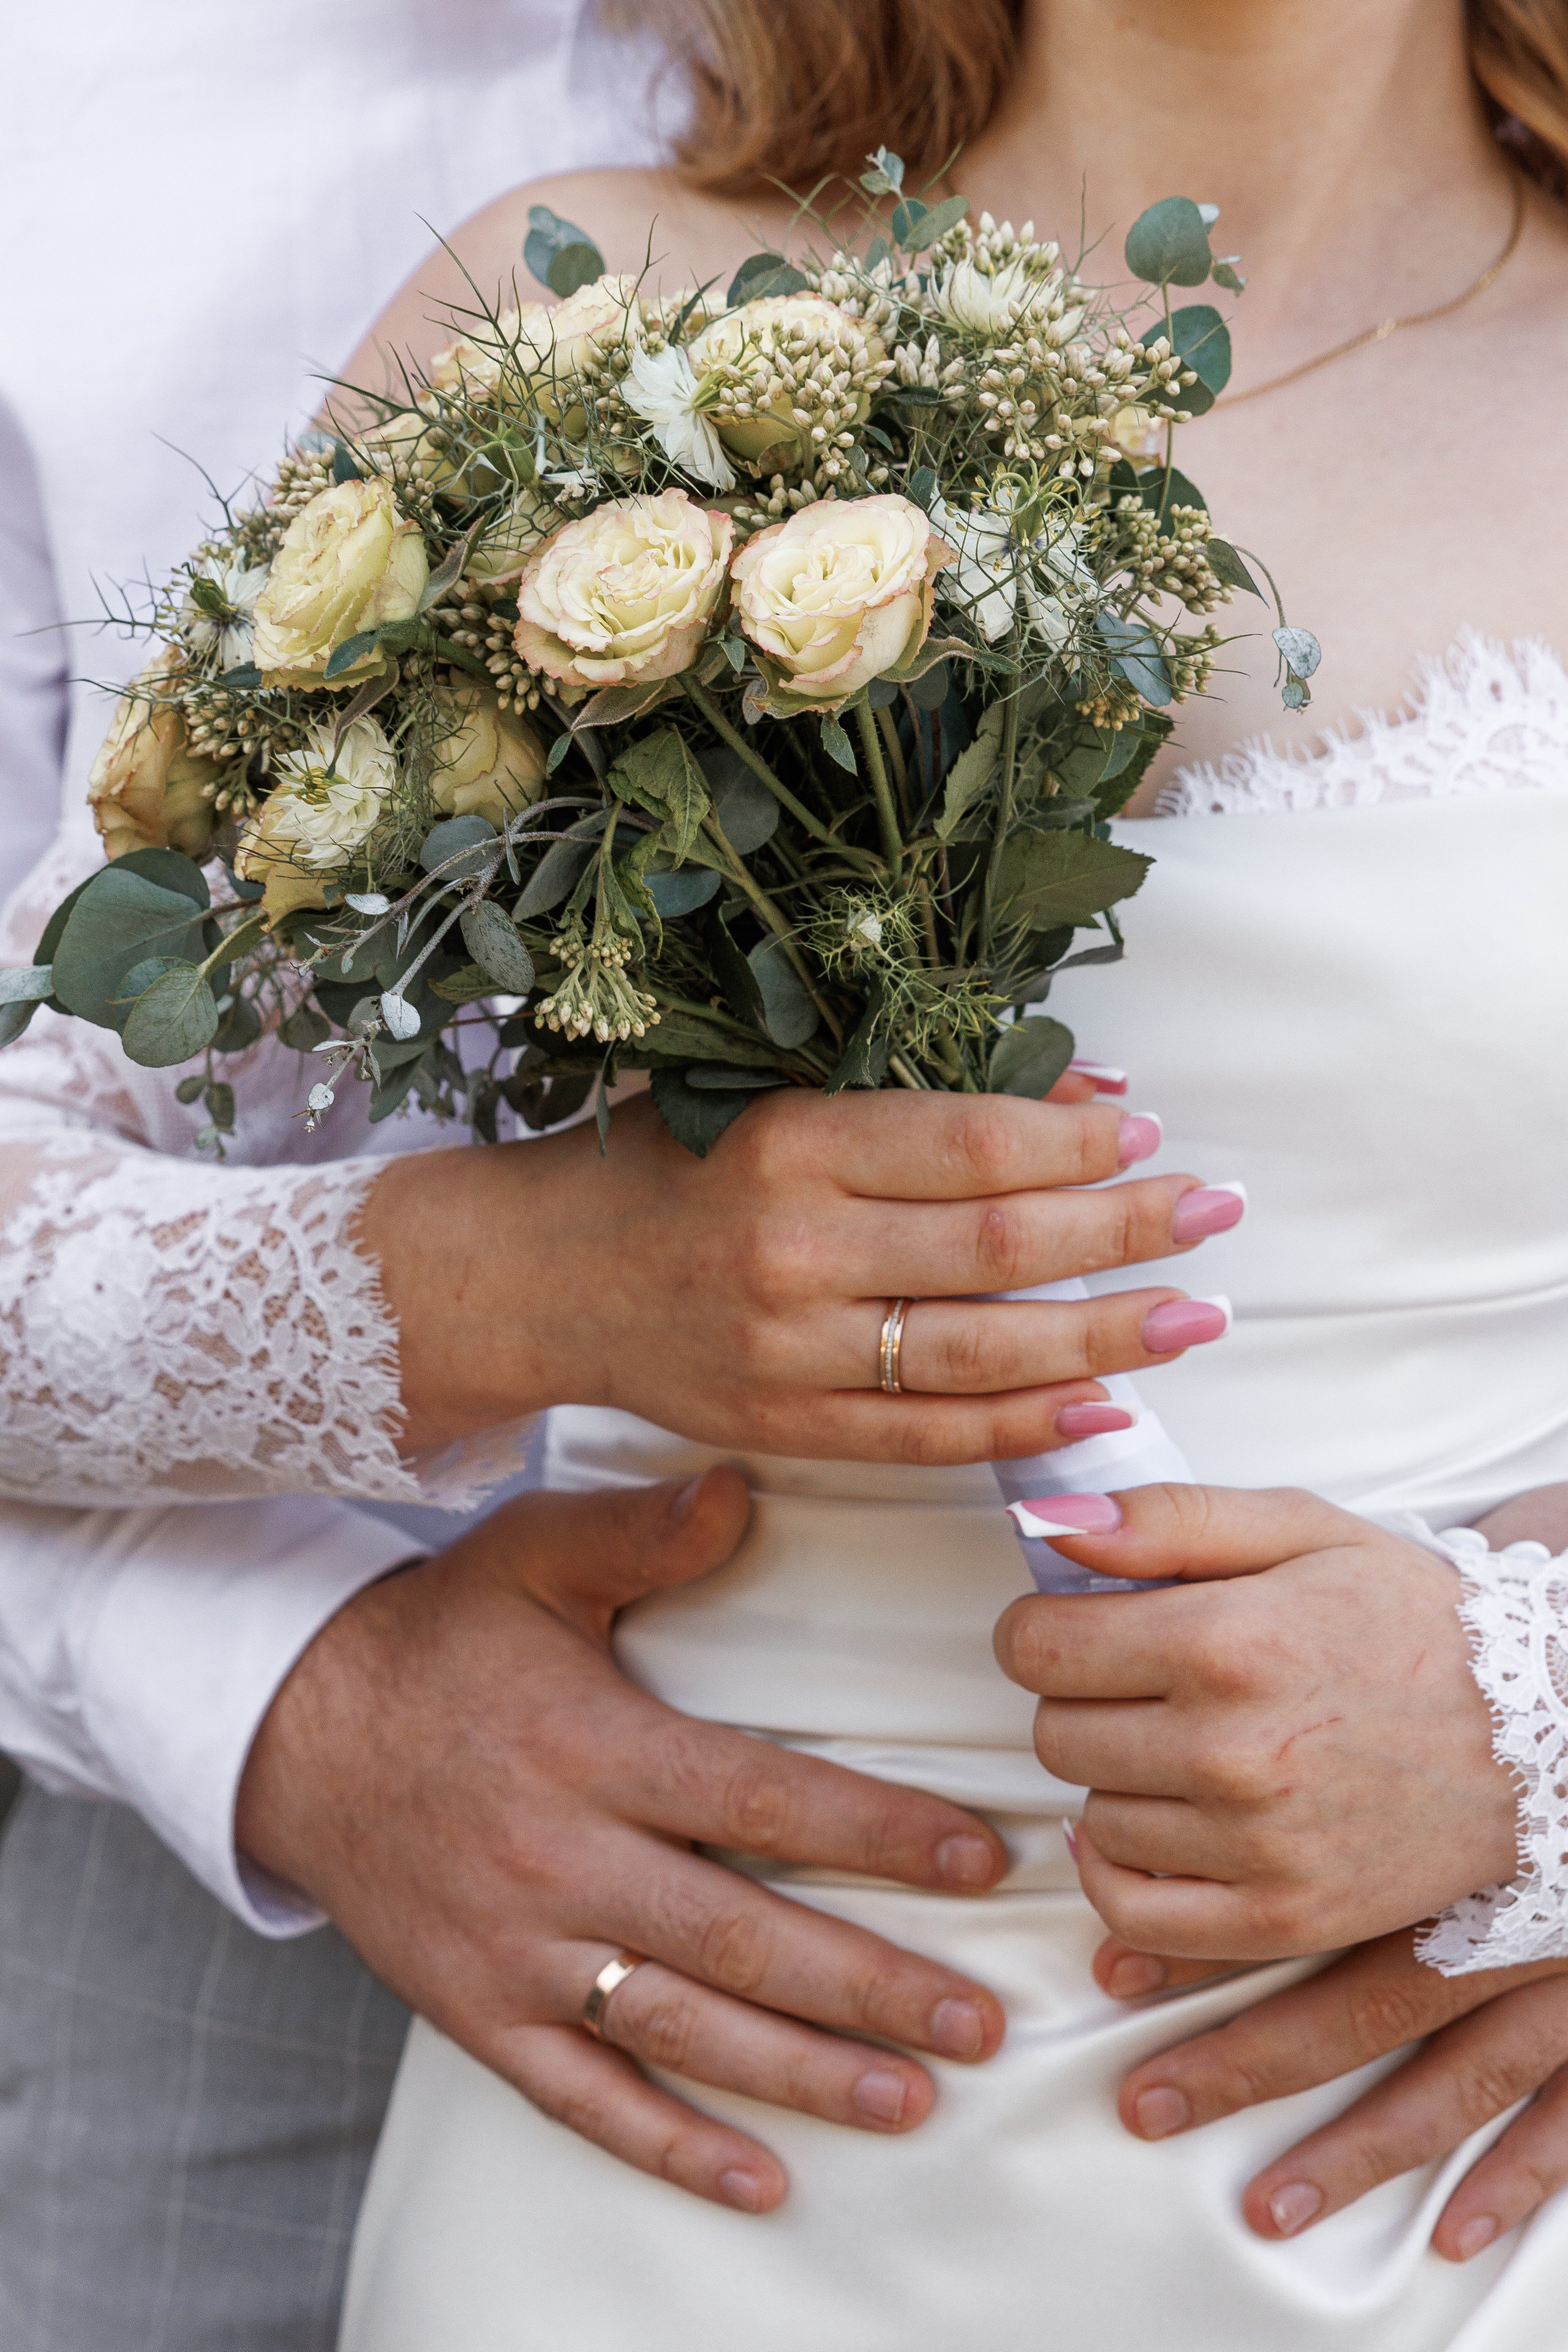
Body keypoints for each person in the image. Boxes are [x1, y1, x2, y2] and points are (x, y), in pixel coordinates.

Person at [284, 2, 1568, 2346]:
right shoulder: (582, 315)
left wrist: (1541, 1708)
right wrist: (565, 1284)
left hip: (1441, 2186)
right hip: (680, 2160)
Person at [0, 8, 1247, 2346]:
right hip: (205, 1853)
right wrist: (308, 1692)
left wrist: (1532, 1737)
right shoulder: (74, 105)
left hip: (1288, 1930)